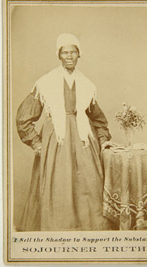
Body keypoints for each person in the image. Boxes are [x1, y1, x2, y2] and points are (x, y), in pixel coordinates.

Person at [16, 33, 114, 231]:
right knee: (57, 184)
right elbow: (24, 118)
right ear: (59, 55)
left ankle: (89, 228)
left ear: (79, 55)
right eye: (65, 52)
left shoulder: (87, 84)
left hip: (83, 140)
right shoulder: (45, 82)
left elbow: (98, 118)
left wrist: (103, 139)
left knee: (89, 182)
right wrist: (36, 142)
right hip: (56, 141)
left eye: (73, 52)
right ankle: (58, 228)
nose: (69, 56)